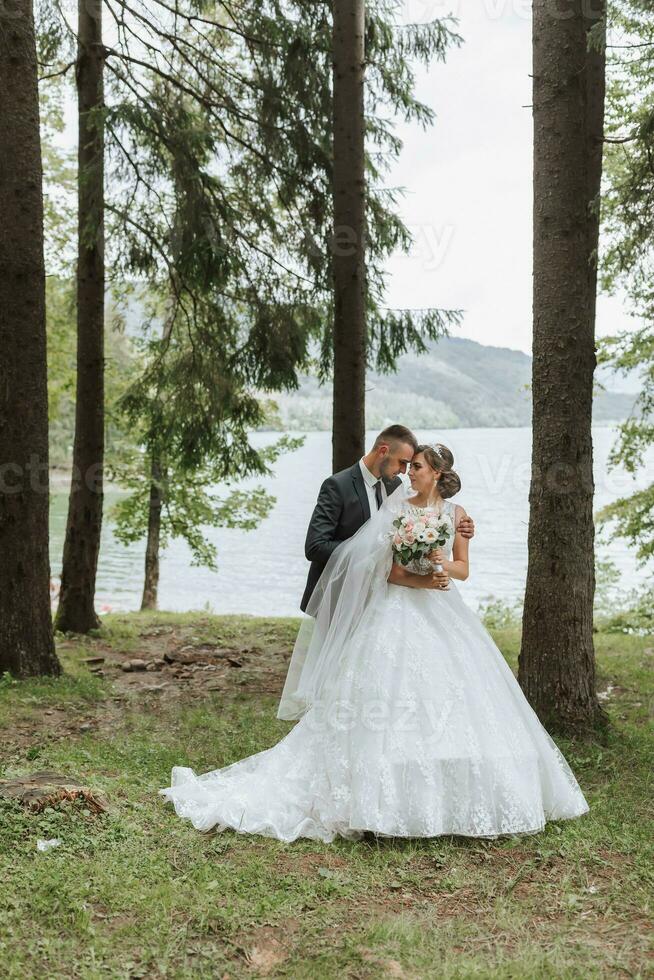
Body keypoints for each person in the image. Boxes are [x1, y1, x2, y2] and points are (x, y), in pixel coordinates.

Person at [159, 443, 589, 841]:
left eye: (416, 467)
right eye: (409, 465)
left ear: (437, 473)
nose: (409, 472)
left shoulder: (458, 514)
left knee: (456, 697)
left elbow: (462, 571)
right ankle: (372, 796)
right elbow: (386, 571)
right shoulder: (396, 508)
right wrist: (425, 577)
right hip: (396, 609)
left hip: (443, 612)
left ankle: (446, 794)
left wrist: (443, 569)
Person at [301, 424, 474, 611]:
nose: (404, 471)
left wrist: (456, 530)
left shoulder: (395, 486)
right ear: (384, 451)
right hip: (341, 593)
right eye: (403, 463)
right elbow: (315, 546)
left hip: (384, 598)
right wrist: (371, 552)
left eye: (412, 465)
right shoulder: (338, 486)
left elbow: (461, 567)